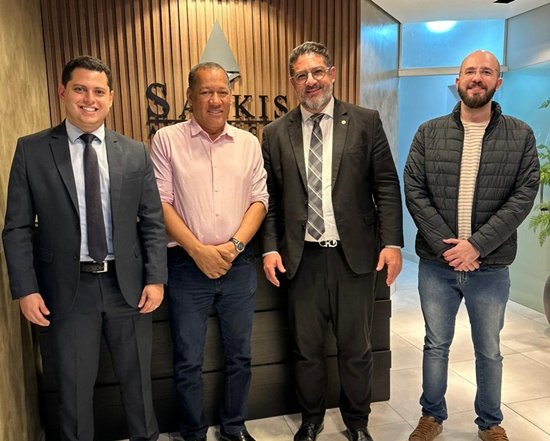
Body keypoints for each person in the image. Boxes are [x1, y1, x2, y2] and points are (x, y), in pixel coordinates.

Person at [2, 55, 167, 441]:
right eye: (80, 89)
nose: (89, 99)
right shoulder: (32, 150)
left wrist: (156, 278)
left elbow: (152, 221)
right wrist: (26, 289)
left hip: (128, 288)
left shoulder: (134, 152)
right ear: (62, 92)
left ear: (111, 97)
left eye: (98, 91)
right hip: (67, 291)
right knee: (73, 395)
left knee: (139, 387)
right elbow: (17, 228)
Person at [261, 41, 403, 441]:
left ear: (332, 73)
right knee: (306, 350)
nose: (311, 81)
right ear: (293, 81)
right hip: (300, 258)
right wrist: (270, 247)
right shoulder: (274, 133)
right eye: (301, 75)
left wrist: (392, 243)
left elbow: (386, 186)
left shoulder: (365, 122)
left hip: (352, 258)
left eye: (317, 72)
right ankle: (311, 419)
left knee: (356, 348)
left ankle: (357, 422)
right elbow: (269, 199)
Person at [404, 50, 540, 441]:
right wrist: (448, 248)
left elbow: (523, 195)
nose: (477, 77)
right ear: (458, 80)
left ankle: (490, 422)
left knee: (489, 349)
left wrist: (476, 246)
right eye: (470, 71)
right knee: (435, 345)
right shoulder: (429, 133)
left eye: (486, 72)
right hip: (437, 264)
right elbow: (414, 190)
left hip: (490, 267)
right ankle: (431, 416)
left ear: (498, 81)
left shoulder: (520, 134)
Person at [150, 62, 268, 441]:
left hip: (239, 265)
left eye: (222, 92)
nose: (215, 100)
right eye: (206, 92)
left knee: (240, 356)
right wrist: (198, 250)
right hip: (186, 266)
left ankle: (233, 427)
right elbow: (161, 203)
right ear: (190, 97)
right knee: (188, 361)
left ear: (230, 97)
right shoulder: (166, 140)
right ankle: (193, 433)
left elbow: (259, 200)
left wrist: (233, 247)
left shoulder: (249, 143)